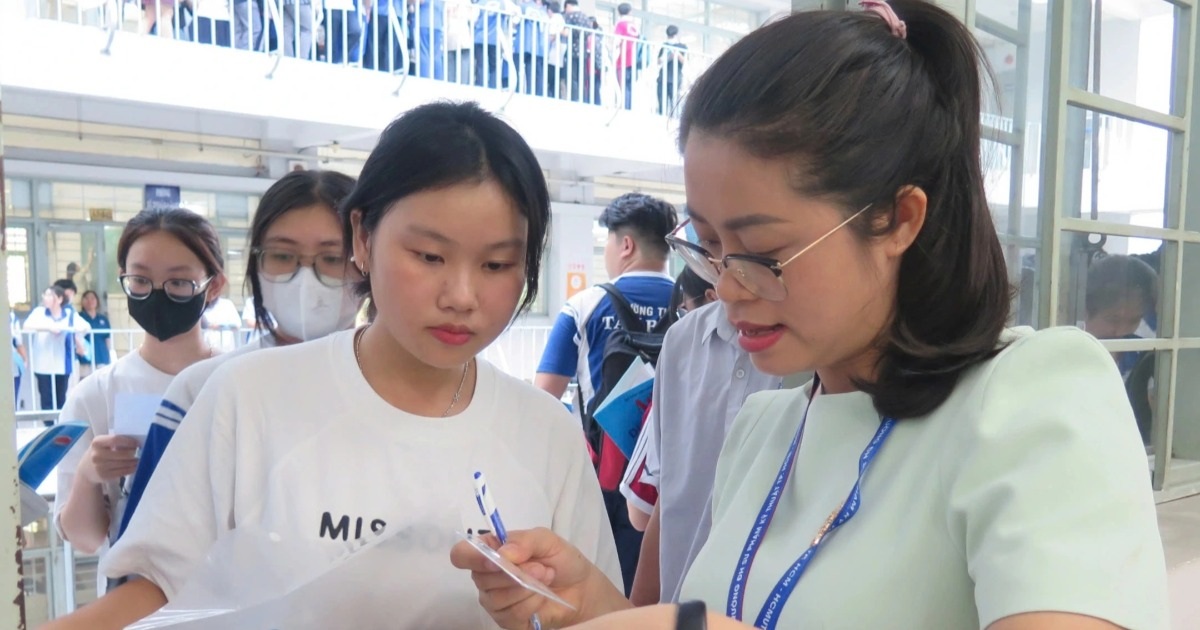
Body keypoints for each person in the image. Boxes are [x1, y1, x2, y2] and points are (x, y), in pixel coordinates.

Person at [452, 2, 1168, 629]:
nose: (727, 289)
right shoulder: (767, 427)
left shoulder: (1035, 400)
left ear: (896, 219)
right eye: (707, 246)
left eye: (762, 250)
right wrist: (595, 607)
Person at [46, 102, 620, 630]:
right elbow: (153, 592)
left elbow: (603, 613)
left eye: (497, 264)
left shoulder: (548, 434)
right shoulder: (250, 397)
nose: (462, 295)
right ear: (363, 239)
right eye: (430, 256)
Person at [118, 169, 360, 536]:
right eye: (282, 255)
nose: (305, 277)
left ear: (368, 262)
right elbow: (147, 560)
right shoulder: (200, 391)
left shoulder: (411, 391)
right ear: (256, 264)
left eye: (332, 258)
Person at [53, 208, 226, 589]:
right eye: (141, 280)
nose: (158, 294)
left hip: (227, 596)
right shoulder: (95, 395)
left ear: (213, 287)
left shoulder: (240, 379)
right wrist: (88, 474)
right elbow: (84, 540)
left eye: (179, 281)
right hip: (131, 603)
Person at [534, 191, 676, 596]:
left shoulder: (584, 306)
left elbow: (544, 397)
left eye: (609, 243)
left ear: (625, 244)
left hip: (604, 476)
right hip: (669, 483)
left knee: (598, 590)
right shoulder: (693, 307)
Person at [619, 256, 779, 608]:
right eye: (706, 244)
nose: (723, 284)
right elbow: (665, 501)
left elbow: (643, 509)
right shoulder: (682, 341)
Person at [23, 285, 90, 414]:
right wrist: (48, 328)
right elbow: (27, 326)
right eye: (45, 295)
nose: (45, 298)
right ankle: (48, 426)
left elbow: (85, 327)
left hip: (62, 363)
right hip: (43, 364)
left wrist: (70, 330)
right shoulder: (39, 312)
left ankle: (59, 426)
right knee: (46, 397)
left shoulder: (69, 314)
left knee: (61, 397)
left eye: (49, 295)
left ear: (59, 299)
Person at [76, 290, 113, 379]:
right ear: (82, 301)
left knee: (102, 385)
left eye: (93, 298)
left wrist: (110, 353)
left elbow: (107, 338)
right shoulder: (78, 317)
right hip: (85, 360)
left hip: (102, 358)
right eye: (86, 298)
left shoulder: (103, 319)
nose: (90, 301)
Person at [656, 25, 686, 116]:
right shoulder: (665, 45)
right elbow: (658, 61)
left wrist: (677, 54)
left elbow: (685, 61)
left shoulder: (682, 46)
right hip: (663, 77)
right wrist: (668, 57)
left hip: (675, 78)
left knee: (674, 103)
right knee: (662, 101)